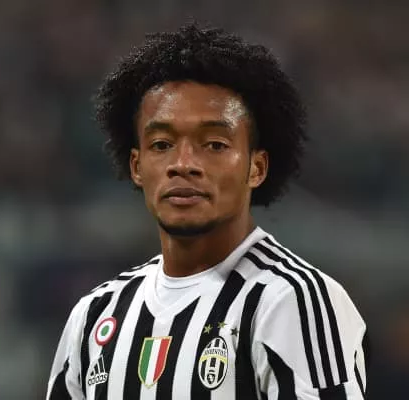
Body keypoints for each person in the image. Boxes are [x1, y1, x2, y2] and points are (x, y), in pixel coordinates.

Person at [46, 23, 368, 400]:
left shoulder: (292, 301)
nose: (183, 164)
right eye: (161, 144)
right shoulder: (95, 316)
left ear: (256, 167)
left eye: (214, 144)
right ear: (136, 166)